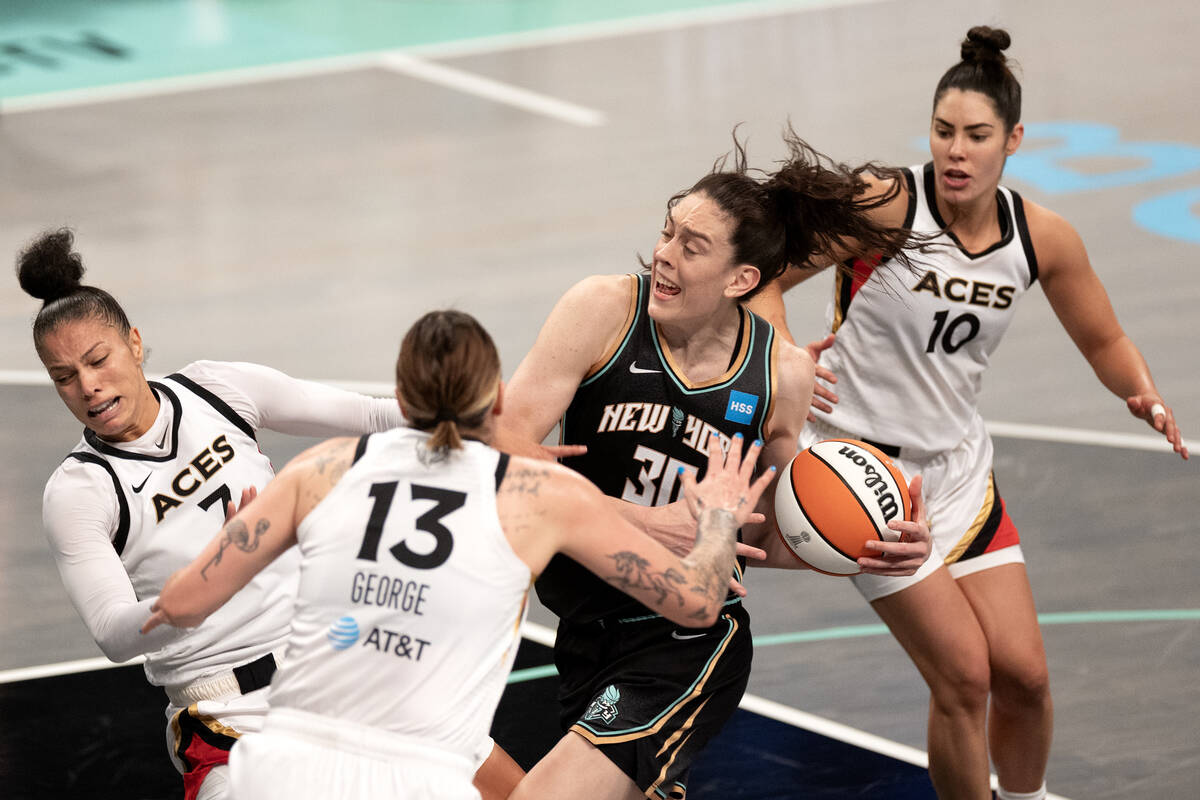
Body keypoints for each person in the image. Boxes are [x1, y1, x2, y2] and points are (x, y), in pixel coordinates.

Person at [748, 26, 1189, 800]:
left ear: (1014, 140)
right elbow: (764, 278)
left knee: (1026, 677)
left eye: (976, 135)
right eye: (943, 131)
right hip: (864, 475)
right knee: (963, 677)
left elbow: (1107, 337)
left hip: (958, 475)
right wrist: (784, 357)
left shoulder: (1040, 237)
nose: (956, 150)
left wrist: (1140, 391)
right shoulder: (890, 207)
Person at [140, 308, 774, 800]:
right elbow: (696, 604)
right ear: (498, 397)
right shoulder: (542, 494)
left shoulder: (323, 467)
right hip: (418, 778)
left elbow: (185, 602)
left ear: (400, 395)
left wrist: (241, 546)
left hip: (279, 770)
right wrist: (717, 517)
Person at [494, 132, 934, 800]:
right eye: (668, 233)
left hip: (685, 640)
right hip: (586, 634)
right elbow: (498, 459)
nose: (665, 254)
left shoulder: (780, 373)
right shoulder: (604, 310)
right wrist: (648, 522)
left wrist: (870, 545)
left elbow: (764, 532)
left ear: (741, 279)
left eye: (691, 246)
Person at [15, 229, 526, 800]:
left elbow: (375, 415)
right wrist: (210, 576)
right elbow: (113, 633)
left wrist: (490, 427)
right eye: (64, 376)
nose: (87, 385)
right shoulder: (80, 491)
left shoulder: (217, 390)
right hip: (230, 715)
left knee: (516, 791)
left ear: (133, 342)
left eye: (97, 360)